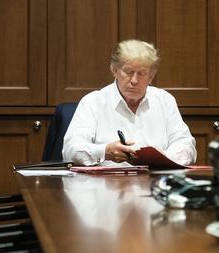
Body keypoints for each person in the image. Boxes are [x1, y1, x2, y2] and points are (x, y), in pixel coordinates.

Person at [62, 39, 197, 166]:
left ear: (151, 76)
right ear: (114, 71)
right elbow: (70, 150)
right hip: (106, 186)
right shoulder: (93, 102)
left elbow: (186, 145)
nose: (134, 80)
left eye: (142, 73)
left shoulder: (165, 101)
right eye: (128, 72)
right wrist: (104, 152)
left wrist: (164, 157)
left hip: (153, 183)